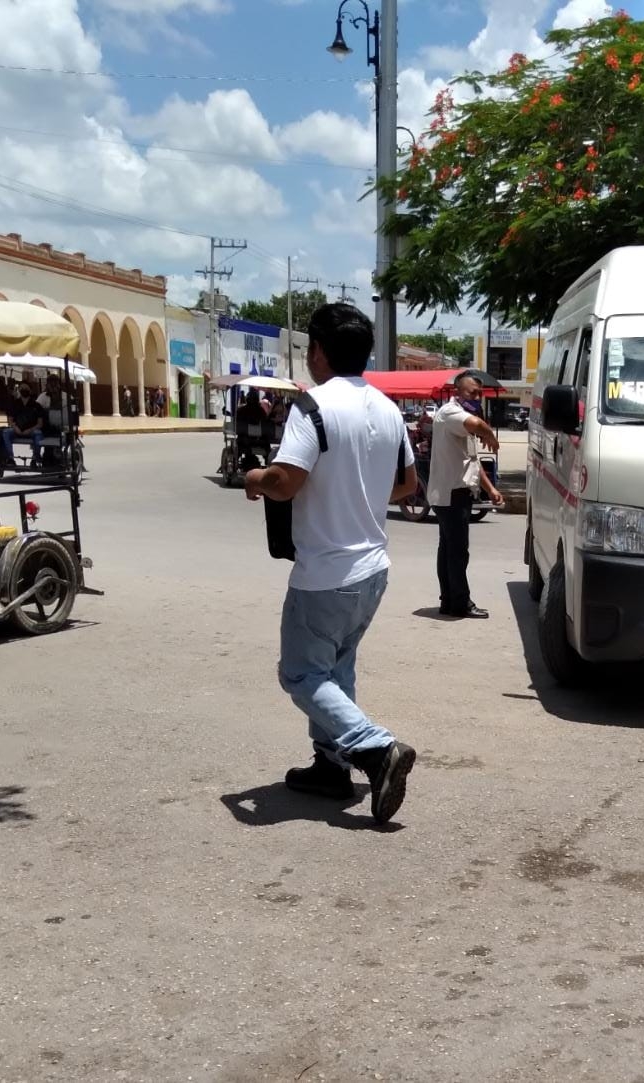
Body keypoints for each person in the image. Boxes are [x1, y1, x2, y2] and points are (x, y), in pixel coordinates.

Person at [244, 303, 420, 825]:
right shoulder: (387, 408)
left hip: (325, 573)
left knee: (301, 672)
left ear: (318, 351)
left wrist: (255, 479)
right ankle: (330, 767)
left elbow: (285, 481)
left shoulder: (312, 407)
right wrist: (357, 491)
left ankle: (375, 748)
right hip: (372, 570)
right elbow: (409, 485)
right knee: (336, 668)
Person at [427, 372, 502, 619]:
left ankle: (449, 600)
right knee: (458, 551)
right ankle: (460, 603)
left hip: (456, 492)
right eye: (472, 393)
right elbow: (478, 425)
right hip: (451, 493)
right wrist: (489, 433)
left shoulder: (460, 419)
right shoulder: (451, 413)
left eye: (479, 394)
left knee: (449, 549)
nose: (476, 397)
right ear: (457, 392)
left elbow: (471, 460)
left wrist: (490, 489)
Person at [0, 383, 44, 465]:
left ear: (30, 391)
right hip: (17, 430)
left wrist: (29, 430)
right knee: (6, 432)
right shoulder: (14, 404)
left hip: (31, 431)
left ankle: (35, 458)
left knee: (39, 434)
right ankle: (10, 458)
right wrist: (15, 428)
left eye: (26, 388)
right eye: (22, 388)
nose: (24, 389)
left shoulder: (36, 405)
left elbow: (40, 424)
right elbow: (10, 420)